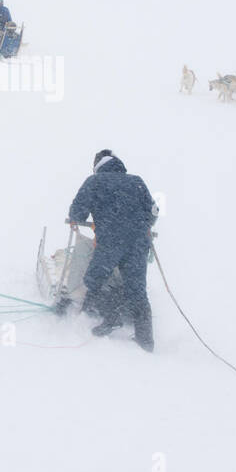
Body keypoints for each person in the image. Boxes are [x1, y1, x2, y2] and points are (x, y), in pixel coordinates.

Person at [67, 150, 159, 352]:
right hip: (138, 242)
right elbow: (153, 212)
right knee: (137, 290)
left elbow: (77, 212)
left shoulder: (94, 181)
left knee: (94, 279)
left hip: (111, 241)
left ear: (97, 165)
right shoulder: (137, 181)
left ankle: (110, 317)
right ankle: (146, 340)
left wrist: (84, 218)